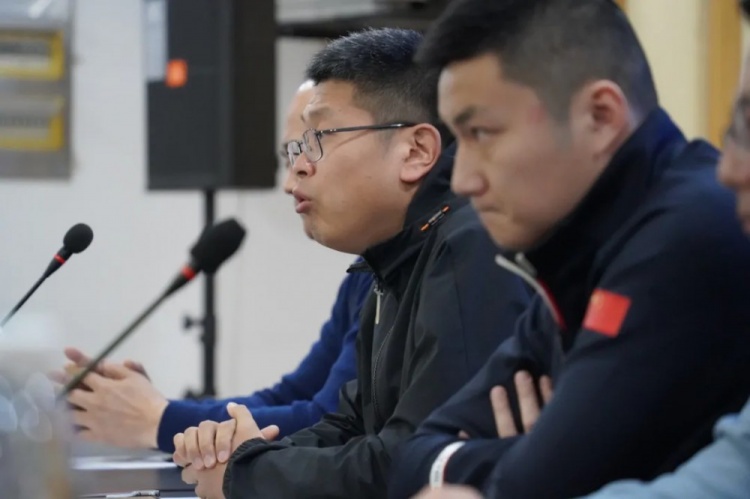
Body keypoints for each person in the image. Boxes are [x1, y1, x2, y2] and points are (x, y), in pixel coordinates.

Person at [389, 1, 750, 498]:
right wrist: (521, 457)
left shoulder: (687, 236)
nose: (463, 179)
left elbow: (532, 486)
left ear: (600, 117)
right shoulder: (578, 244)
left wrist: (514, 462)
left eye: (482, 134)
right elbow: (411, 458)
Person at [172, 28, 531, 499]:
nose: (296, 173)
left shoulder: (470, 247)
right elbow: (350, 425)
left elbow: (418, 460)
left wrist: (248, 475)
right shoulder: (394, 257)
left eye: (318, 137)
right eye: (295, 149)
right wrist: (241, 455)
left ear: (416, 151)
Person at [57, 81, 373, 453]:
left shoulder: (412, 267)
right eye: (291, 154)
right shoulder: (366, 271)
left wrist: (159, 420)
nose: (291, 181)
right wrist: (147, 410)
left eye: (314, 145)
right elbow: (293, 394)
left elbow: (329, 424)